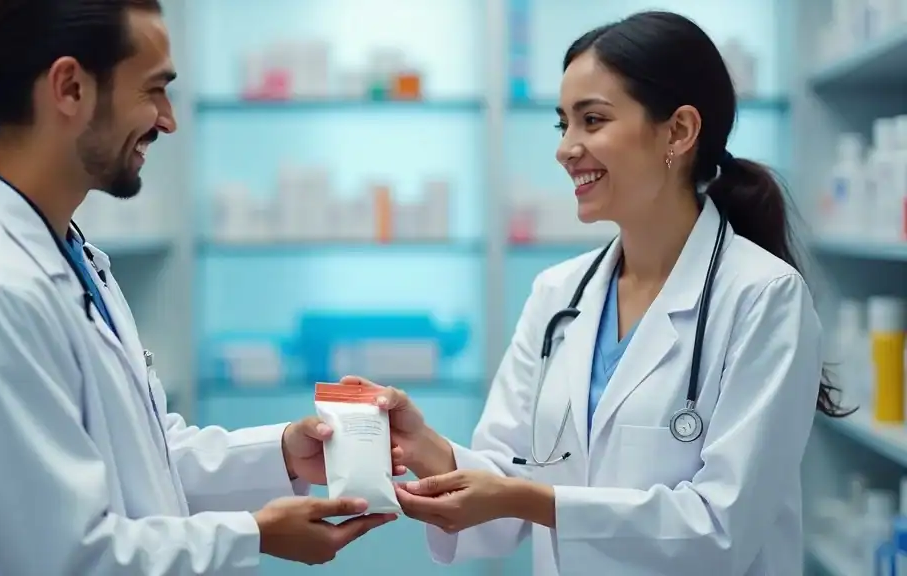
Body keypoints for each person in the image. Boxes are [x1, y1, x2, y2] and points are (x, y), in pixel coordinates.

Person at [0, 1, 400, 574]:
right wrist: (252, 534)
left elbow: (139, 458)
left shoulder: (66, 256)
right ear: (71, 87)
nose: (169, 119)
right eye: (154, 90)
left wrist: (280, 455)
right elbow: (64, 559)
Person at [341, 10, 852, 576]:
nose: (567, 148)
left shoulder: (763, 297)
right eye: (564, 124)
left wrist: (529, 500)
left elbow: (720, 528)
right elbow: (507, 482)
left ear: (679, 131)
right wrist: (427, 449)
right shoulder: (559, 295)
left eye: (593, 120)